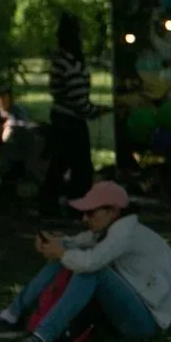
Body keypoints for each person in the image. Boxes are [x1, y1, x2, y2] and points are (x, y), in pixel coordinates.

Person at [0, 181, 171, 342]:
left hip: (149, 322)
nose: (85, 218)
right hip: (137, 308)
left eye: (91, 213)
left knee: (91, 270)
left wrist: (62, 251)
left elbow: (91, 262)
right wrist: (56, 243)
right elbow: (79, 243)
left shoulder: (125, 233)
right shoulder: (113, 228)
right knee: (69, 258)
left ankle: (43, 339)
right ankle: (12, 317)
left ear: (113, 212)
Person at [40, 13, 110, 216]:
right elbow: (78, 101)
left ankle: (51, 204)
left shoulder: (61, 61)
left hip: (62, 118)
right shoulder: (69, 63)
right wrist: (96, 111)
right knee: (81, 168)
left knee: (60, 163)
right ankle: (77, 207)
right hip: (70, 122)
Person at [0, 85, 33, 186]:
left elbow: (26, 125)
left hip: (13, 141)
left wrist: (13, 124)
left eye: (4, 97)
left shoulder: (17, 110)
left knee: (9, 129)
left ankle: (8, 160)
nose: (2, 100)